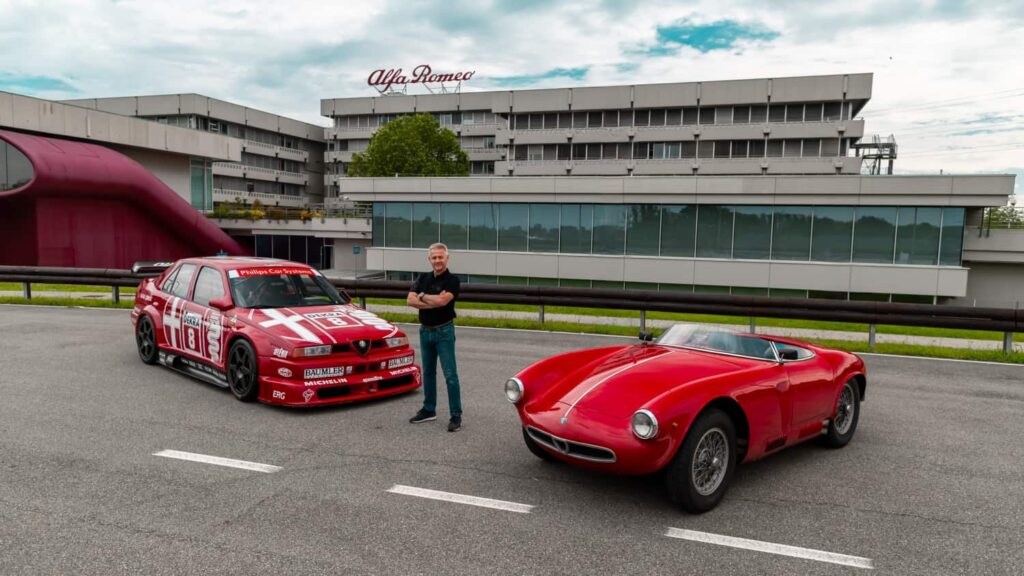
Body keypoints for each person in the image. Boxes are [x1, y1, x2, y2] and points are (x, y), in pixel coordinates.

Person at [407, 243, 463, 432]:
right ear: (429, 259)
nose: (437, 260)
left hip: (444, 331)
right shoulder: (422, 278)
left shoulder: (452, 280)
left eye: (441, 257)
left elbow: (443, 301)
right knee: (429, 373)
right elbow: (409, 300)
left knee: (450, 375)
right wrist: (431, 300)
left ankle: (456, 415)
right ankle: (429, 409)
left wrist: (422, 297)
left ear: (447, 258)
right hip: (425, 331)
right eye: (434, 257)